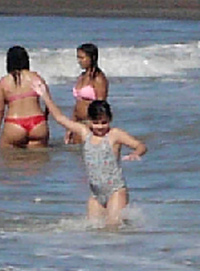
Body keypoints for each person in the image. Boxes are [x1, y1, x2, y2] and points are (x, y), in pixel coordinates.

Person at [38, 93, 145, 226]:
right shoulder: (84, 133)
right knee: (94, 230)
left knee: (113, 228)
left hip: (115, 190)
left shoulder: (115, 134)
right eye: (96, 123)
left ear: (110, 119)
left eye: (104, 122)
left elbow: (140, 145)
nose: (100, 127)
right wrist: (45, 96)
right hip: (96, 194)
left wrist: (136, 153)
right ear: (89, 121)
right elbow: (60, 118)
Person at [0, 46, 50, 148]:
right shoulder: (36, 78)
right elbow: (48, 103)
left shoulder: (3, 82)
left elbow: (0, 110)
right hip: (38, 122)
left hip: (14, 124)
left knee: (10, 161)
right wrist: (44, 119)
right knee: (39, 161)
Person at [64, 43, 109, 144]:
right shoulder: (82, 76)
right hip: (78, 123)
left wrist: (95, 126)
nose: (79, 61)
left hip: (90, 125)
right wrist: (70, 127)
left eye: (82, 58)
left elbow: (101, 106)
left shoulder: (98, 78)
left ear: (92, 58)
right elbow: (77, 105)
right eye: (78, 58)